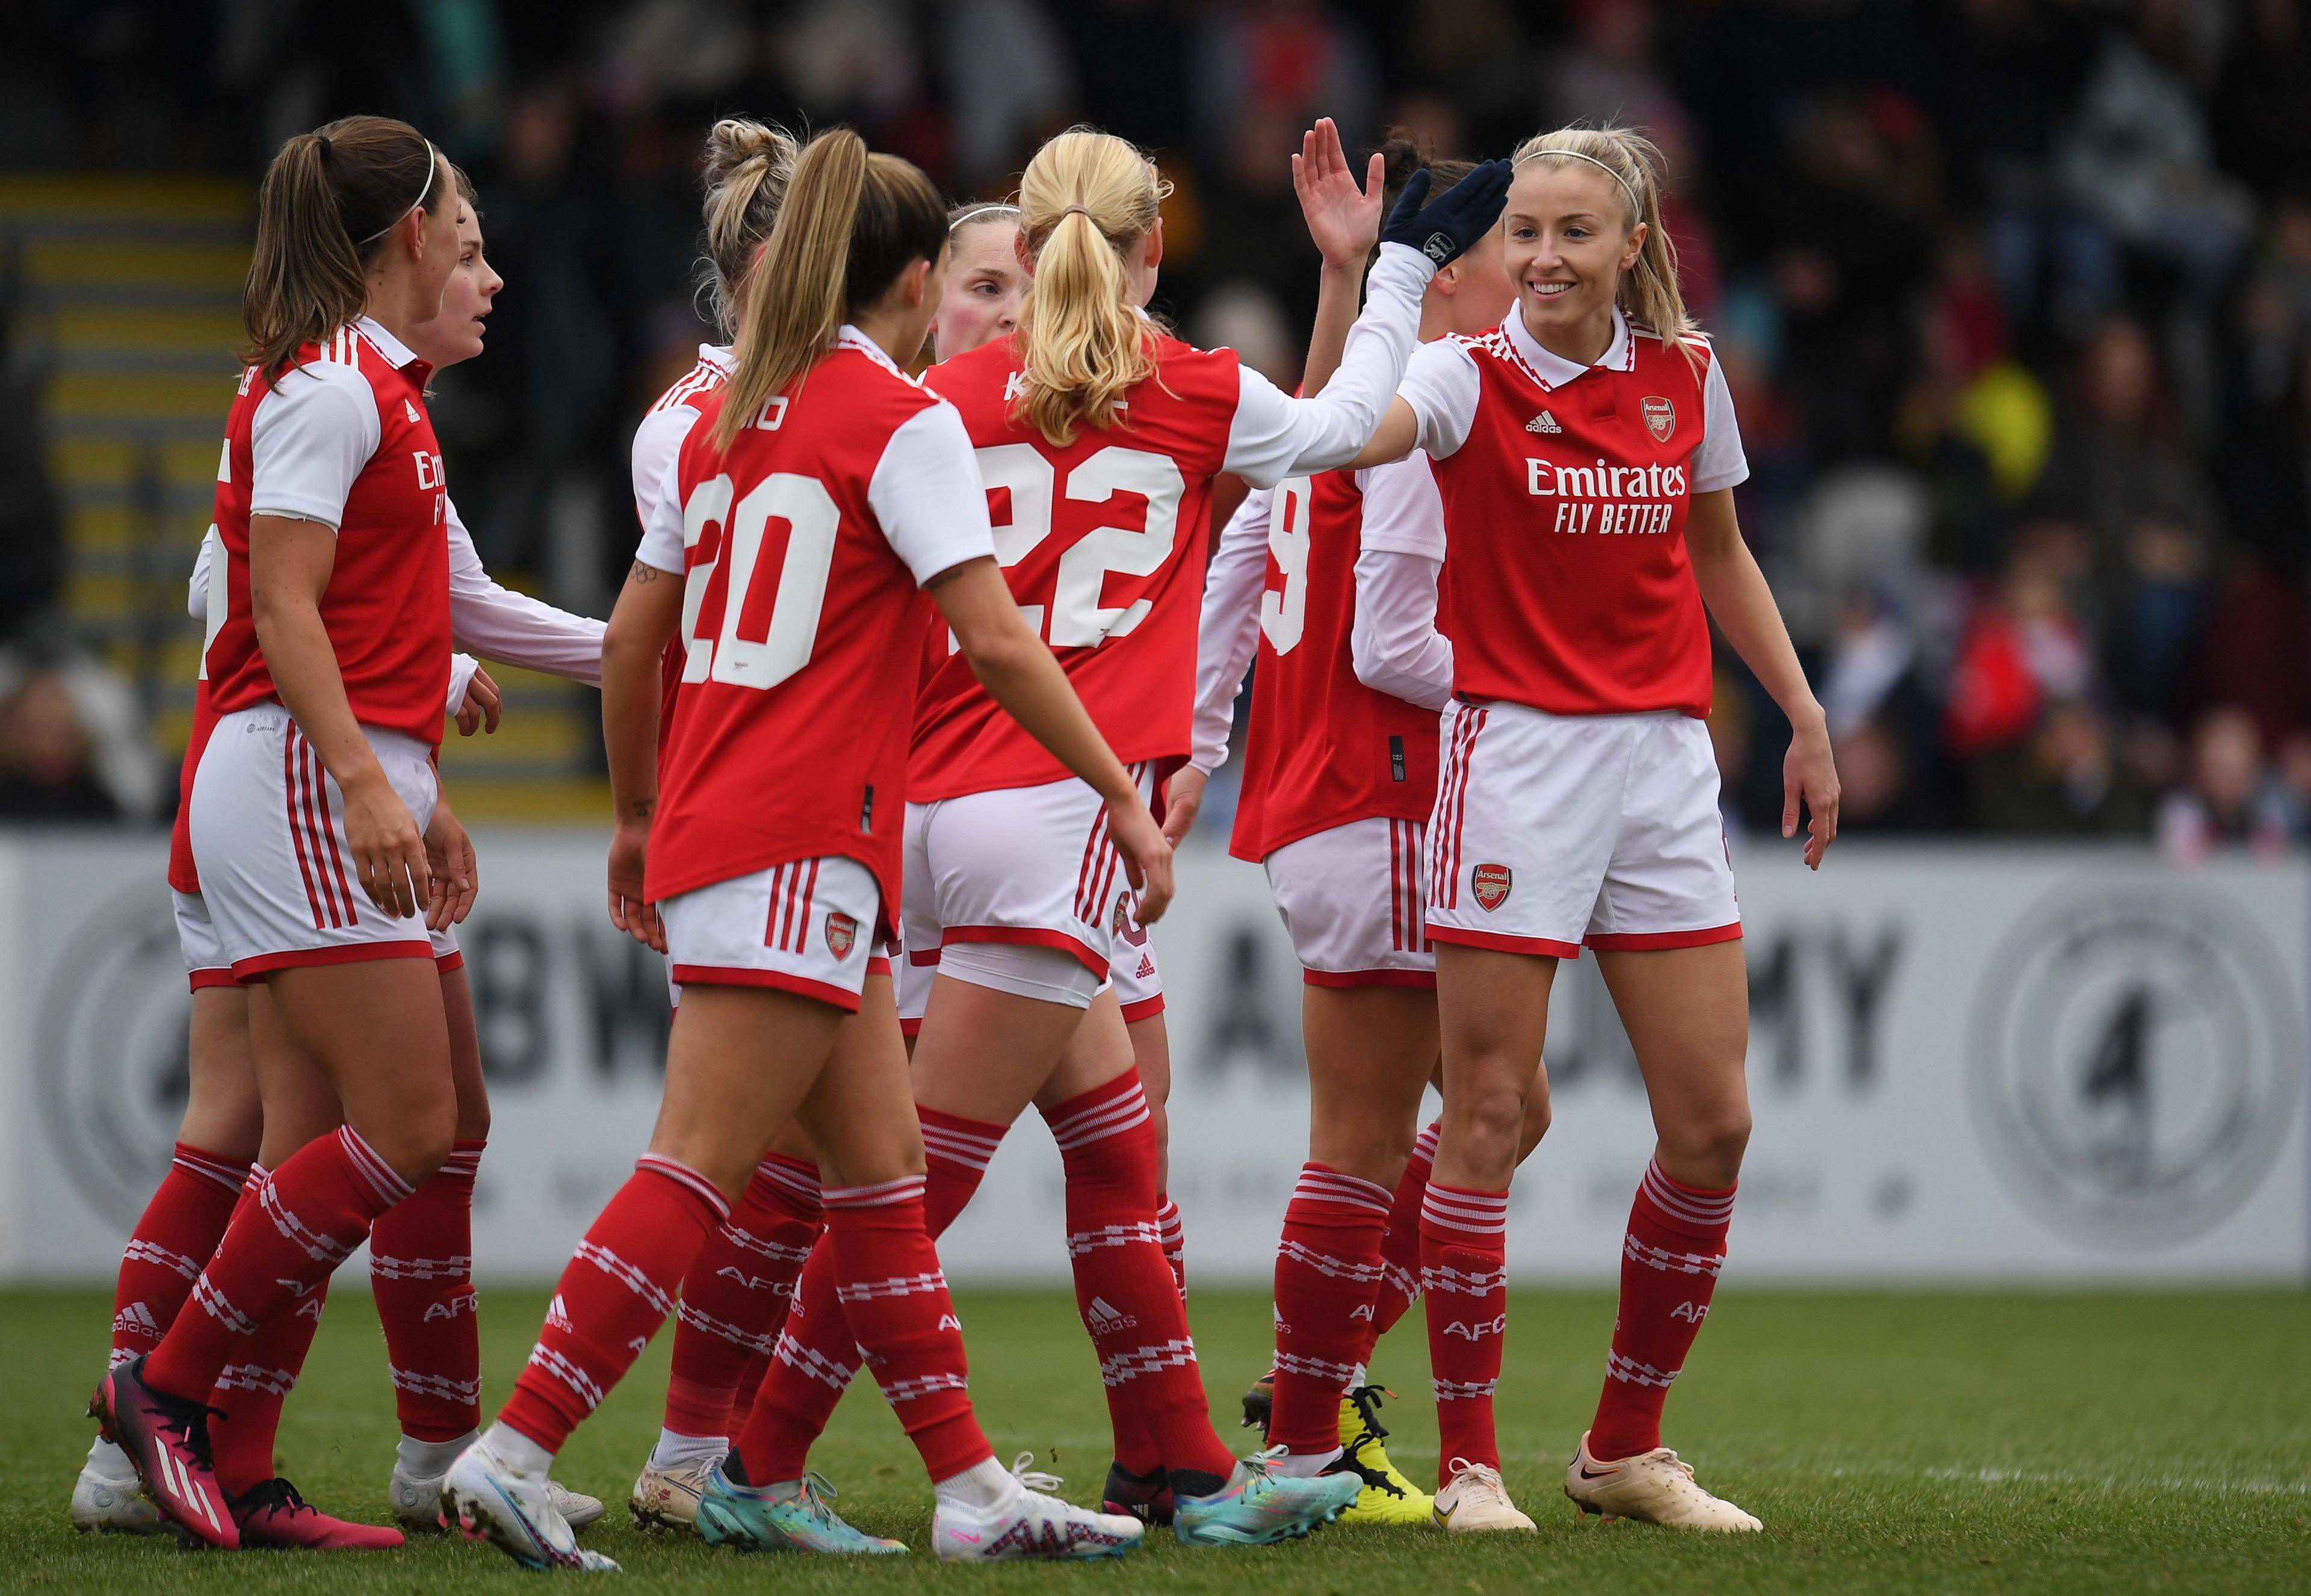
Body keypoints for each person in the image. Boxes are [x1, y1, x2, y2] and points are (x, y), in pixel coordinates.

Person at [719, 120, 1510, 1544]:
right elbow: (1334, 435)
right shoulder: (1193, 389)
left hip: (915, 805)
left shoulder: (931, 397)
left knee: (1112, 1141)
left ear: (1023, 250)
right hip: (1057, 818)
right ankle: (750, 1463)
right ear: (1157, 249)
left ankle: (1187, 1467)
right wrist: (1395, 275)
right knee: (909, 1189)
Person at [445, 127, 1169, 1570]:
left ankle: (970, 1492)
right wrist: (1126, 796)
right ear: (913, 282)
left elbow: (639, 632)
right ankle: (514, 1449)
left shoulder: (718, 414)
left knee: (881, 1184)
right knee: (699, 1165)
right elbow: (997, 638)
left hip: (737, 824)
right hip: (803, 834)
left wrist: (640, 812)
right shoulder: (896, 419)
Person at [75, 159, 611, 1551]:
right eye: (471, 242)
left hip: (323, 771)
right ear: (407, 237)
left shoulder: (377, 395)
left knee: (319, 1139)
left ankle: (243, 1468)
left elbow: (453, 600)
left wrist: (650, 658)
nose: (490, 274)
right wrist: (379, 774)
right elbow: (262, 599)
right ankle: (168, 1400)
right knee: (405, 1128)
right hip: (298, 782)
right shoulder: (327, 389)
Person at [1350, 125, 1839, 1532]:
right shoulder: (1462, 378)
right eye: (1524, 234)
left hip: (1667, 766)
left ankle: (1624, 1449)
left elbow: (1719, 552)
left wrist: (1801, 716)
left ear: (1634, 243)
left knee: (1715, 1122)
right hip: (1517, 759)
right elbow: (1348, 435)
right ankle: (1469, 1466)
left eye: (1574, 233)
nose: (1545, 258)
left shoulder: (1688, 378)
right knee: (1491, 1108)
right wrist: (1383, 289)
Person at [1175, 139, 1544, 1527]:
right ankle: (1306, 1434)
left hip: (1339, 793)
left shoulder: (1348, 408)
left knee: (1493, 1115)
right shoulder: (1426, 412)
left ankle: (1310, 1404)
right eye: (1520, 245)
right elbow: (1396, 639)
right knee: (1373, 1140)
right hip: (1381, 791)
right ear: (1450, 283)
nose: (1541, 272)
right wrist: (1549, 679)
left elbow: (1246, 546)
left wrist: (1204, 736)